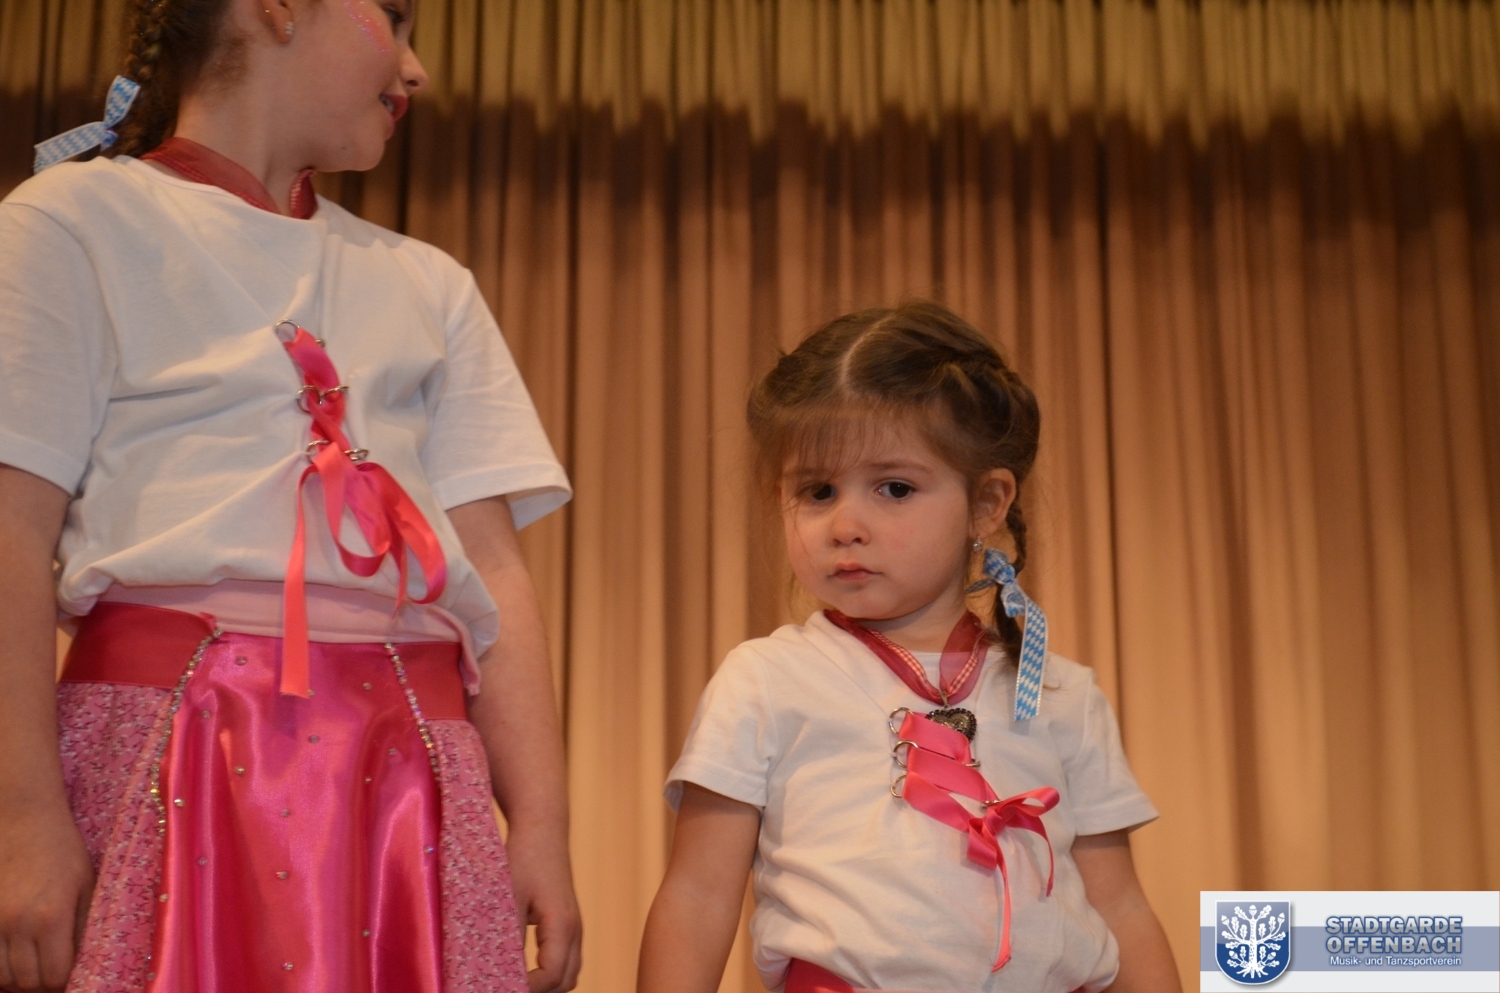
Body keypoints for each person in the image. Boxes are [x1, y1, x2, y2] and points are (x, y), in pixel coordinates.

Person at [0, 1, 582, 991]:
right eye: (393, 18)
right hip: (168, 745)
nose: (416, 68)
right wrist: (22, 819)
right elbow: (13, 535)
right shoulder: (71, 221)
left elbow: (495, 572)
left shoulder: (430, 282)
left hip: (409, 766)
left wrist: (541, 825)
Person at [637, 303, 1181, 993]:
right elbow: (695, 898)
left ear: (986, 503)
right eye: (817, 491)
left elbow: (1122, 908)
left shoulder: (1061, 693)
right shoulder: (766, 680)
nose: (846, 524)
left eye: (894, 488)